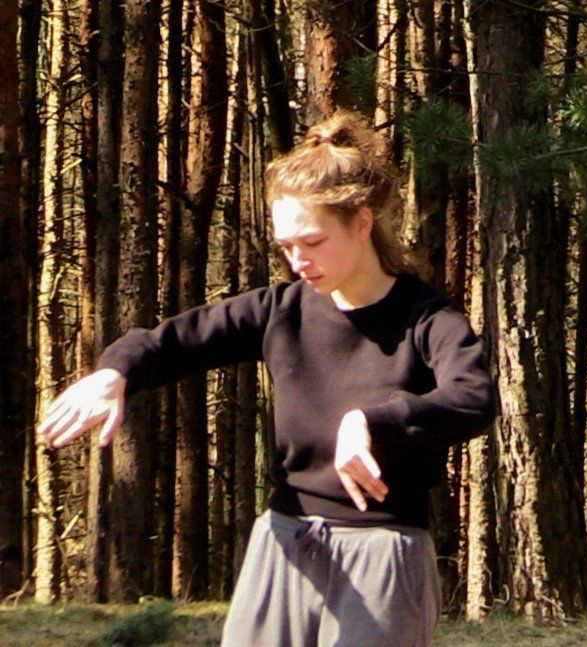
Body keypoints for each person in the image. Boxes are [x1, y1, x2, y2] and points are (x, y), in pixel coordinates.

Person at [37, 111, 496, 647]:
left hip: (384, 554)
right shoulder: (281, 310)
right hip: (283, 541)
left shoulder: (427, 319)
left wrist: (374, 420)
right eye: (285, 246)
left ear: (363, 223)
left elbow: (473, 398)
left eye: (313, 241)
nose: (298, 260)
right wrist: (115, 373)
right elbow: (174, 340)